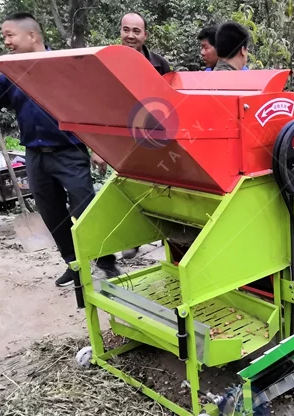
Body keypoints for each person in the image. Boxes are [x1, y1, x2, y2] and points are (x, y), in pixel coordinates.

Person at [0, 12, 121, 286]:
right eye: (4, 36)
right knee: (52, 214)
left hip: (69, 152)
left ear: (32, 36)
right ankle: (74, 264)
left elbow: (90, 105)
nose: (6, 41)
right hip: (35, 157)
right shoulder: (14, 73)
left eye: (9, 35)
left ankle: (106, 261)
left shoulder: (63, 67)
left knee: (85, 208)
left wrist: (98, 146)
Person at [106, 11, 171, 259]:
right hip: (123, 137)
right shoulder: (107, 61)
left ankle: (168, 238)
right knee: (127, 186)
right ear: (120, 32)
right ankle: (132, 238)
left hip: (155, 137)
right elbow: (102, 104)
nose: (130, 35)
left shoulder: (159, 64)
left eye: (136, 31)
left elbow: (170, 101)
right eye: (126, 30)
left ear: (145, 34)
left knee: (163, 187)